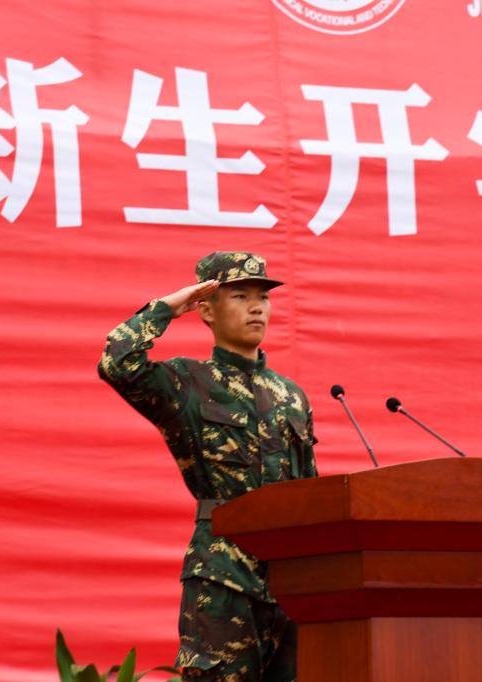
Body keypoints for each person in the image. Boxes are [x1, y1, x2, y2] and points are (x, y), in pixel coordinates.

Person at [98, 252, 317, 681]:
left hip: (290, 582)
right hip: (223, 577)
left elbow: (310, 489)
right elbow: (117, 364)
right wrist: (166, 308)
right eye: (240, 296)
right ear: (207, 310)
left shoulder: (291, 396)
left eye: (263, 297)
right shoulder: (187, 382)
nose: (256, 307)